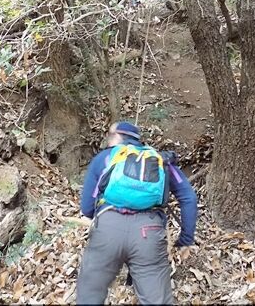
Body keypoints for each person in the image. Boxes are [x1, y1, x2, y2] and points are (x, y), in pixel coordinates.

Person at [76, 121, 198, 305]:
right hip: (148, 234)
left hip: (108, 230)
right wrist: (185, 239)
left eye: (110, 135)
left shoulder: (105, 158)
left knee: (89, 295)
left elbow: (87, 208)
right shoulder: (160, 161)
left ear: (118, 137)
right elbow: (189, 198)